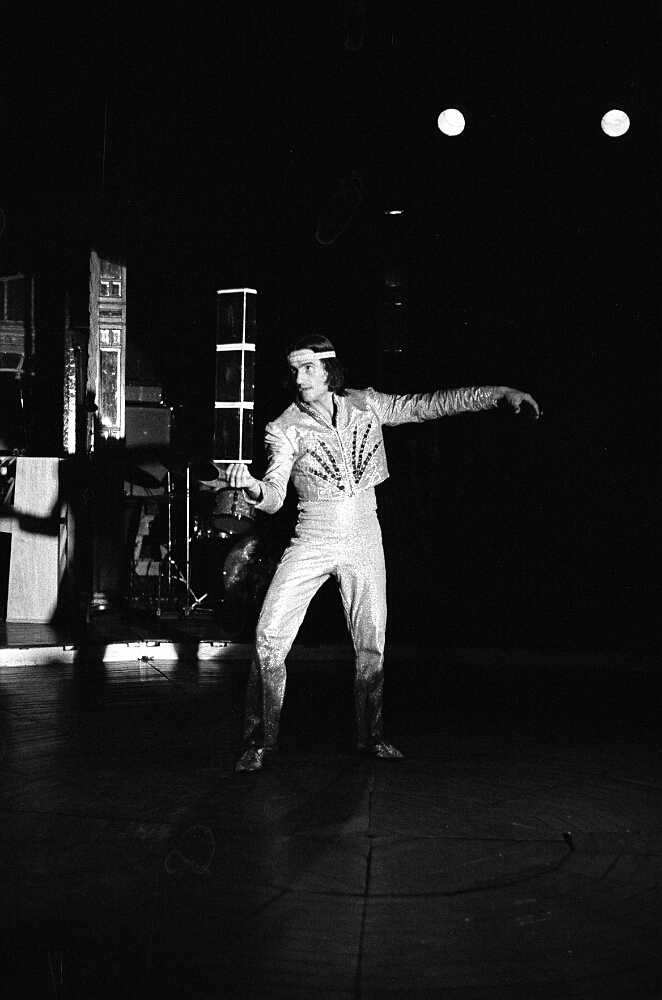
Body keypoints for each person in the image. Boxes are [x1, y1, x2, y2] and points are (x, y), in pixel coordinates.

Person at [225, 335, 540, 771]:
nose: (299, 379)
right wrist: (253, 487)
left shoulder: (366, 405)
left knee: (371, 643)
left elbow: (428, 405)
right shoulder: (284, 427)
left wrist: (497, 394)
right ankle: (259, 742)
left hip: (363, 536)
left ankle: (371, 736)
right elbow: (276, 495)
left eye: (308, 368)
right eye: (294, 370)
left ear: (330, 369)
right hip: (313, 536)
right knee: (268, 635)